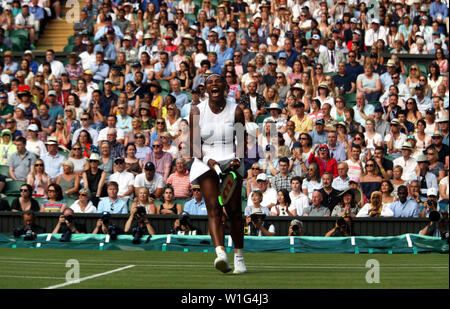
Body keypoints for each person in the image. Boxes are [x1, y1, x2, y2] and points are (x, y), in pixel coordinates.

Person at [189, 73, 247, 274]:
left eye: (218, 82)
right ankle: (221, 253)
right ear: (205, 89)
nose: (214, 85)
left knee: (234, 212)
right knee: (213, 207)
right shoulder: (196, 110)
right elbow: (194, 146)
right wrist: (209, 161)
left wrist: (237, 160)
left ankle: (239, 257)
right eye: (209, 83)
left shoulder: (237, 111)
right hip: (205, 160)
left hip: (230, 158)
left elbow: (242, 142)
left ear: (225, 88)